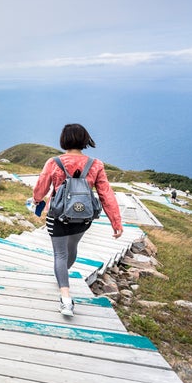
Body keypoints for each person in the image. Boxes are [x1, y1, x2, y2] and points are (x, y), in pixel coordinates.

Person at [32, 124, 123, 317]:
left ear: (63, 139)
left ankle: (65, 299)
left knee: (60, 254)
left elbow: (41, 187)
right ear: (84, 140)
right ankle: (62, 275)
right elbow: (106, 194)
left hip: (57, 215)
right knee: (72, 248)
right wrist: (116, 222)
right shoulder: (95, 164)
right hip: (83, 217)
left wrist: (37, 200)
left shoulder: (54, 162)